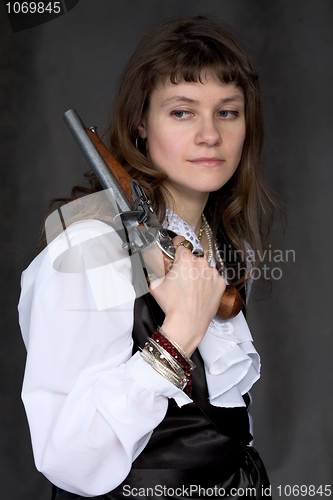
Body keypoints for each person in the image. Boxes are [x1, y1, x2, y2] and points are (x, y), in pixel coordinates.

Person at [18, 16, 275, 500]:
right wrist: (176, 336)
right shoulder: (91, 249)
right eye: (182, 112)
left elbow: (216, 432)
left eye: (227, 112)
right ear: (141, 123)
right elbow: (69, 459)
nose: (209, 135)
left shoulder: (213, 243)